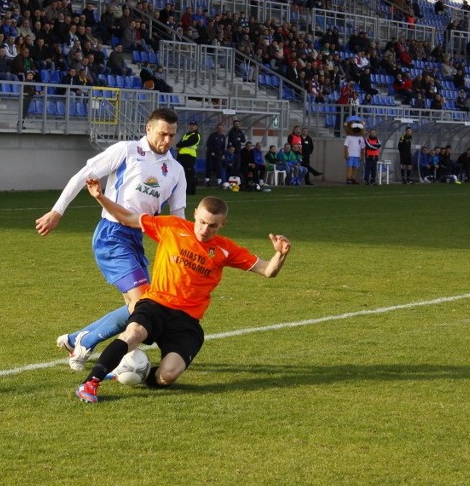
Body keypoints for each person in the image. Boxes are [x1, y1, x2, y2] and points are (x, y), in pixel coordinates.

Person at [74, 183, 291, 403]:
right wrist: (100, 196)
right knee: (133, 334)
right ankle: (91, 382)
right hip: (155, 304)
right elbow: (126, 217)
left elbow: (267, 270)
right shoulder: (171, 226)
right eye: (202, 222)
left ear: (223, 224)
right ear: (195, 214)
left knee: (168, 375)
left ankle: (133, 372)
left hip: (187, 321)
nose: (205, 230)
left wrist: (280, 255)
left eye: (213, 226)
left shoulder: (226, 249)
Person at [36, 108, 187, 371]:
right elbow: (82, 176)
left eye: (172, 135)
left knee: (144, 306)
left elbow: (178, 215)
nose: (167, 141)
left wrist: (183, 249)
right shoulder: (127, 151)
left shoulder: (175, 170)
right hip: (112, 235)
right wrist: (57, 211)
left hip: (138, 238)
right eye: (162, 134)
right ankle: (88, 341)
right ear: (147, 129)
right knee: (142, 303)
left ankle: (76, 339)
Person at [175, 120, 201, 195]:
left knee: (189, 173)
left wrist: (180, 145)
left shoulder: (196, 135)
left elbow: (187, 142)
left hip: (189, 156)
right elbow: (180, 142)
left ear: (196, 127)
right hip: (182, 155)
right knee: (182, 173)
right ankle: (183, 189)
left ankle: (190, 190)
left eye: (193, 125)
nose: (191, 126)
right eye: (190, 125)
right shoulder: (187, 134)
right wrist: (180, 144)